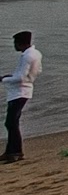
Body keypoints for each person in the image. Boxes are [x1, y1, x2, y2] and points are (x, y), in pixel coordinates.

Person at [3, 32, 43, 164]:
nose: (14, 46)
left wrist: (4, 79)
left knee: (11, 122)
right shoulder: (36, 54)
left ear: (22, 43)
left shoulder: (27, 56)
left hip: (19, 91)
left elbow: (20, 77)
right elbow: (37, 71)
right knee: (12, 122)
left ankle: (16, 152)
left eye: (16, 43)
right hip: (25, 89)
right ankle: (10, 151)